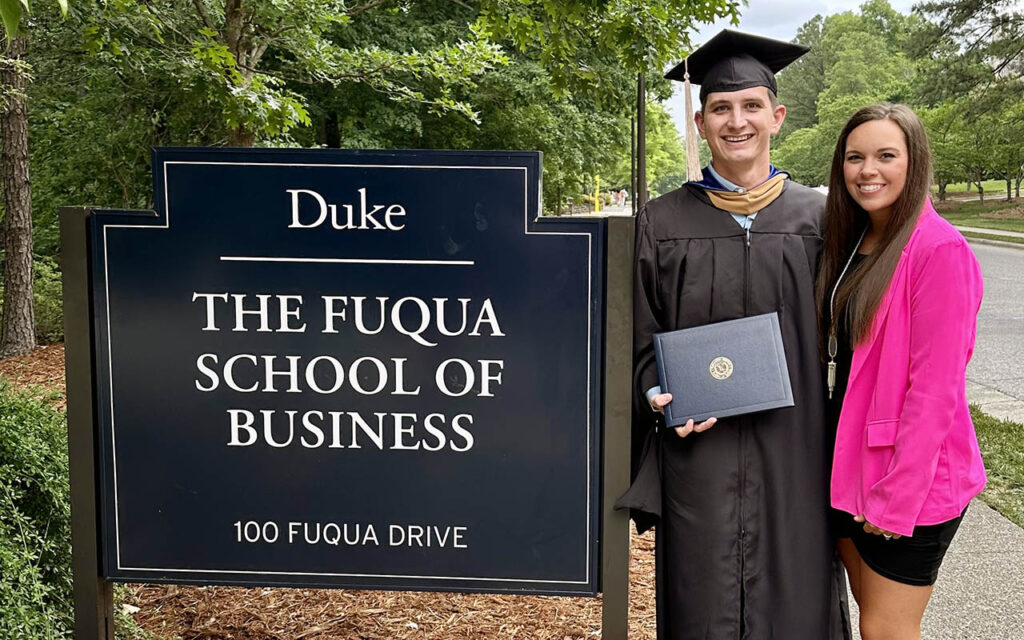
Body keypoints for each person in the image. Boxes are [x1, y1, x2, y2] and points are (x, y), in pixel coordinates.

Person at [616, 30, 850, 639]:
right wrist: (656, 394)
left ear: (776, 116)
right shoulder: (663, 221)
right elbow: (641, 339)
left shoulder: (819, 219)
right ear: (701, 121)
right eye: (721, 108)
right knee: (701, 601)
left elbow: (856, 339)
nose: (736, 121)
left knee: (797, 598)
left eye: (750, 106)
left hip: (796, 447)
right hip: (700, 452)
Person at [818, 103, 986, 640]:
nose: (868, 170)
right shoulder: (857, 242)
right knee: (873, 617)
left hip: (906, 477)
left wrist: (896, 498)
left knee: (888, 630)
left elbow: (936, 390)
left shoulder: (939, 250)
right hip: (850, 469)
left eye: (886, 156)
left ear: (915, 162)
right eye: (855, 157)